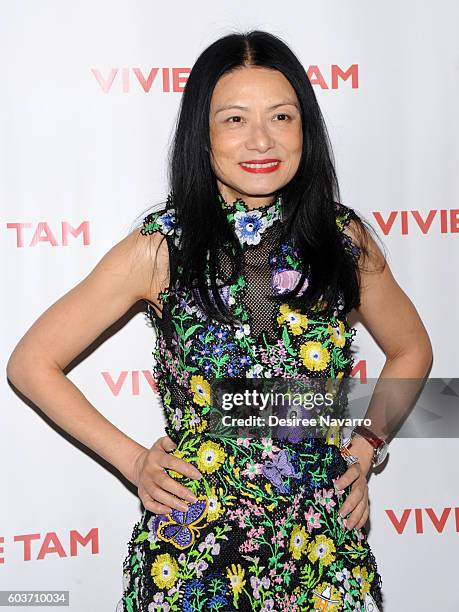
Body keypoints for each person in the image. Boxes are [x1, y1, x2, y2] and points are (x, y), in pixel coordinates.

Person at [6, 30, 432, 612]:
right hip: (196, 550)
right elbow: (31, 363)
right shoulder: (163, 248)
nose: (261, 138)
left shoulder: (341, 241)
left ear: (305, 128)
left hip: (324, 551)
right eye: (234, 119)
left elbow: (412, 350)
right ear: (202, 137)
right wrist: (134, 461)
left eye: (281, 116)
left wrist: (364, 447)